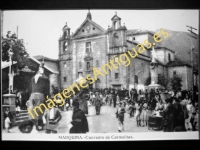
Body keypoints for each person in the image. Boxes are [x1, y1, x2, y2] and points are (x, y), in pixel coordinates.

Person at [28, 62, 50, 131]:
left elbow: (30, 88)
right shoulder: (45, 78)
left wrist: (30, 98)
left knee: (32, 110)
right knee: (40, 110)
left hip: (32, 95)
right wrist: (47, 99)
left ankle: (33, 124)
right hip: (40, 95)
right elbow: (47, 90)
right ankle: (38, 125)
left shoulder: (32, 78)